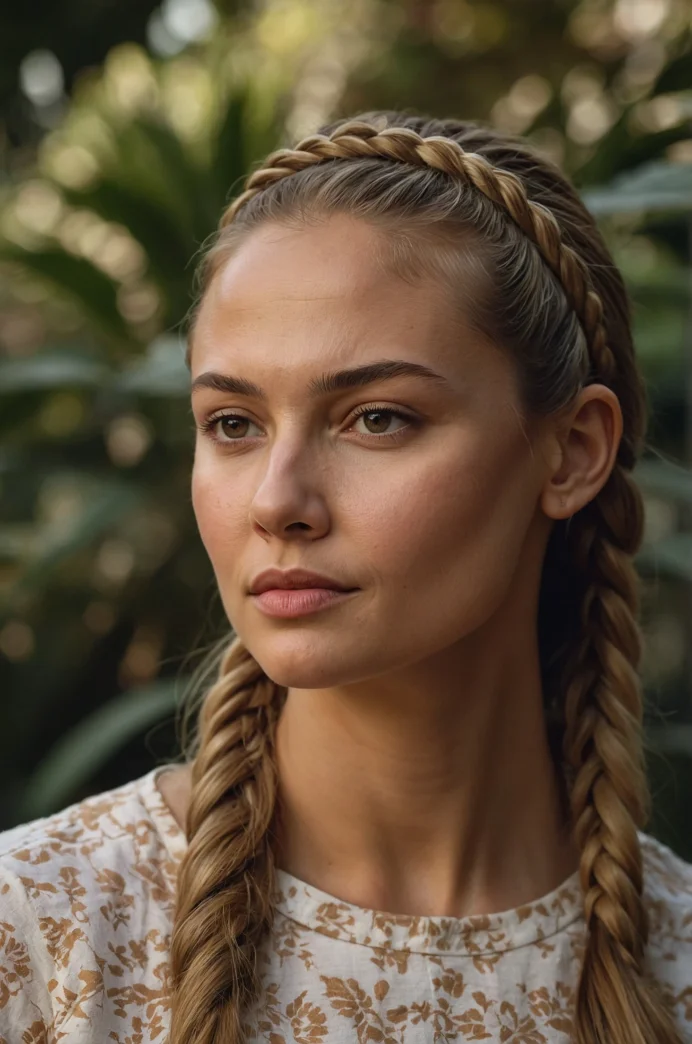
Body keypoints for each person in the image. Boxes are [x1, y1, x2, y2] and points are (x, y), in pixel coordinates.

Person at [1, 109, 691, 1044]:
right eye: (234, 425)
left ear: (572, 452)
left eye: (377, 419)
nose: (278, 502)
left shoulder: (675, 965)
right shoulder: (43, 933)